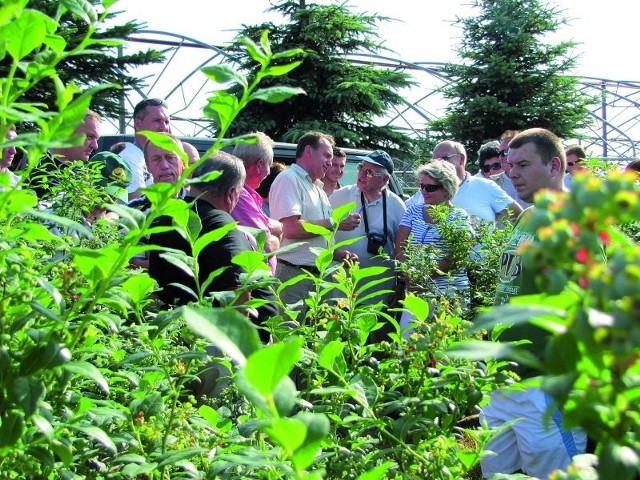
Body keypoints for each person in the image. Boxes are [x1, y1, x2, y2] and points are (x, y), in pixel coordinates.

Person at [482, 128, 586, 479]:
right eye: (510, 165)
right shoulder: (527, 216)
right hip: (503, 379)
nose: (512, 173)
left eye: (523, 164)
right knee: (497, 471)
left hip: (545, 385)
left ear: (555, 165)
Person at [147, 150, 277, 340]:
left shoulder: (166, 218)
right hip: (219, 344)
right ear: (232, 193)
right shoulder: (222, 226)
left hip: (180, 333)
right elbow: (237, 291)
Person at [269, 131, 361, 311]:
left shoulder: (317, 187)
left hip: (317, 277)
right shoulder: (289, 179)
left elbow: (311, 241)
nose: (329, 162)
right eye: (326, 155)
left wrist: (336, 254)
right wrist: (336, 223)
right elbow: (291, 230)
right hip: (294, 276)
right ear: (308, 151)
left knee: (314, 336)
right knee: (291, 335)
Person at [329, 150, 406, 331]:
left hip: (379, 290)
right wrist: (335, 253)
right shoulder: (339, 197)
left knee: (376, 342)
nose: (362, 174)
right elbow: (322, 235)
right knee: (339, 336)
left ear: (385, 180)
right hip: (342, 288)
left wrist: (400, 285)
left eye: (370, 172)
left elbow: (403, 248)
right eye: (361, 168)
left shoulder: (396, 205)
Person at [395, 160, 472, 335]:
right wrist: (408, 275)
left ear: (446, 189)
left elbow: (457, 255)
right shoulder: (413, 211)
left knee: (444, 347)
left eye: (430, 188)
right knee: (408, 342)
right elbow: (400, 246)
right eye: (421, 186)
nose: (423, 191)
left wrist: (423, 278)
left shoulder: (459, 216)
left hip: (449, 293)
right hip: (415, 290)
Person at [406, 140, 522, 225]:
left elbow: (520, 217)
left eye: (444, 158)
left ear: (461, 159)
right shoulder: (425, 191)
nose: (438, 164)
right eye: (434, 160)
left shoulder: (485, 187)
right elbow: (403, 215)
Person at [231, 132, 283, 274]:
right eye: (269, 165)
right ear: (260, 165)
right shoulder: (240, 196)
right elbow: (266, 247)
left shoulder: (245, 195)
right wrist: (277, 232)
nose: (268, 172)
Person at [29, 110, 101, 199]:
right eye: (89, 137)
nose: (95, 146)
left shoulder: (82, 171)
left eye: (96, 139)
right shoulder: (41, 172)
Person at [120, 98, 171, 200]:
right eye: (157, 121)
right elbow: (139, 206)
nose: (164, 127)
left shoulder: (145, 157)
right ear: (138, 124)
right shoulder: (129, 158)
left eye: (166, 122)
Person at [495, 130, 530, 209]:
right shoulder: (493, 182)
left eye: (505, 152)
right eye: (499, 153)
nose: (500, 158)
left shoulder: (534, 179)